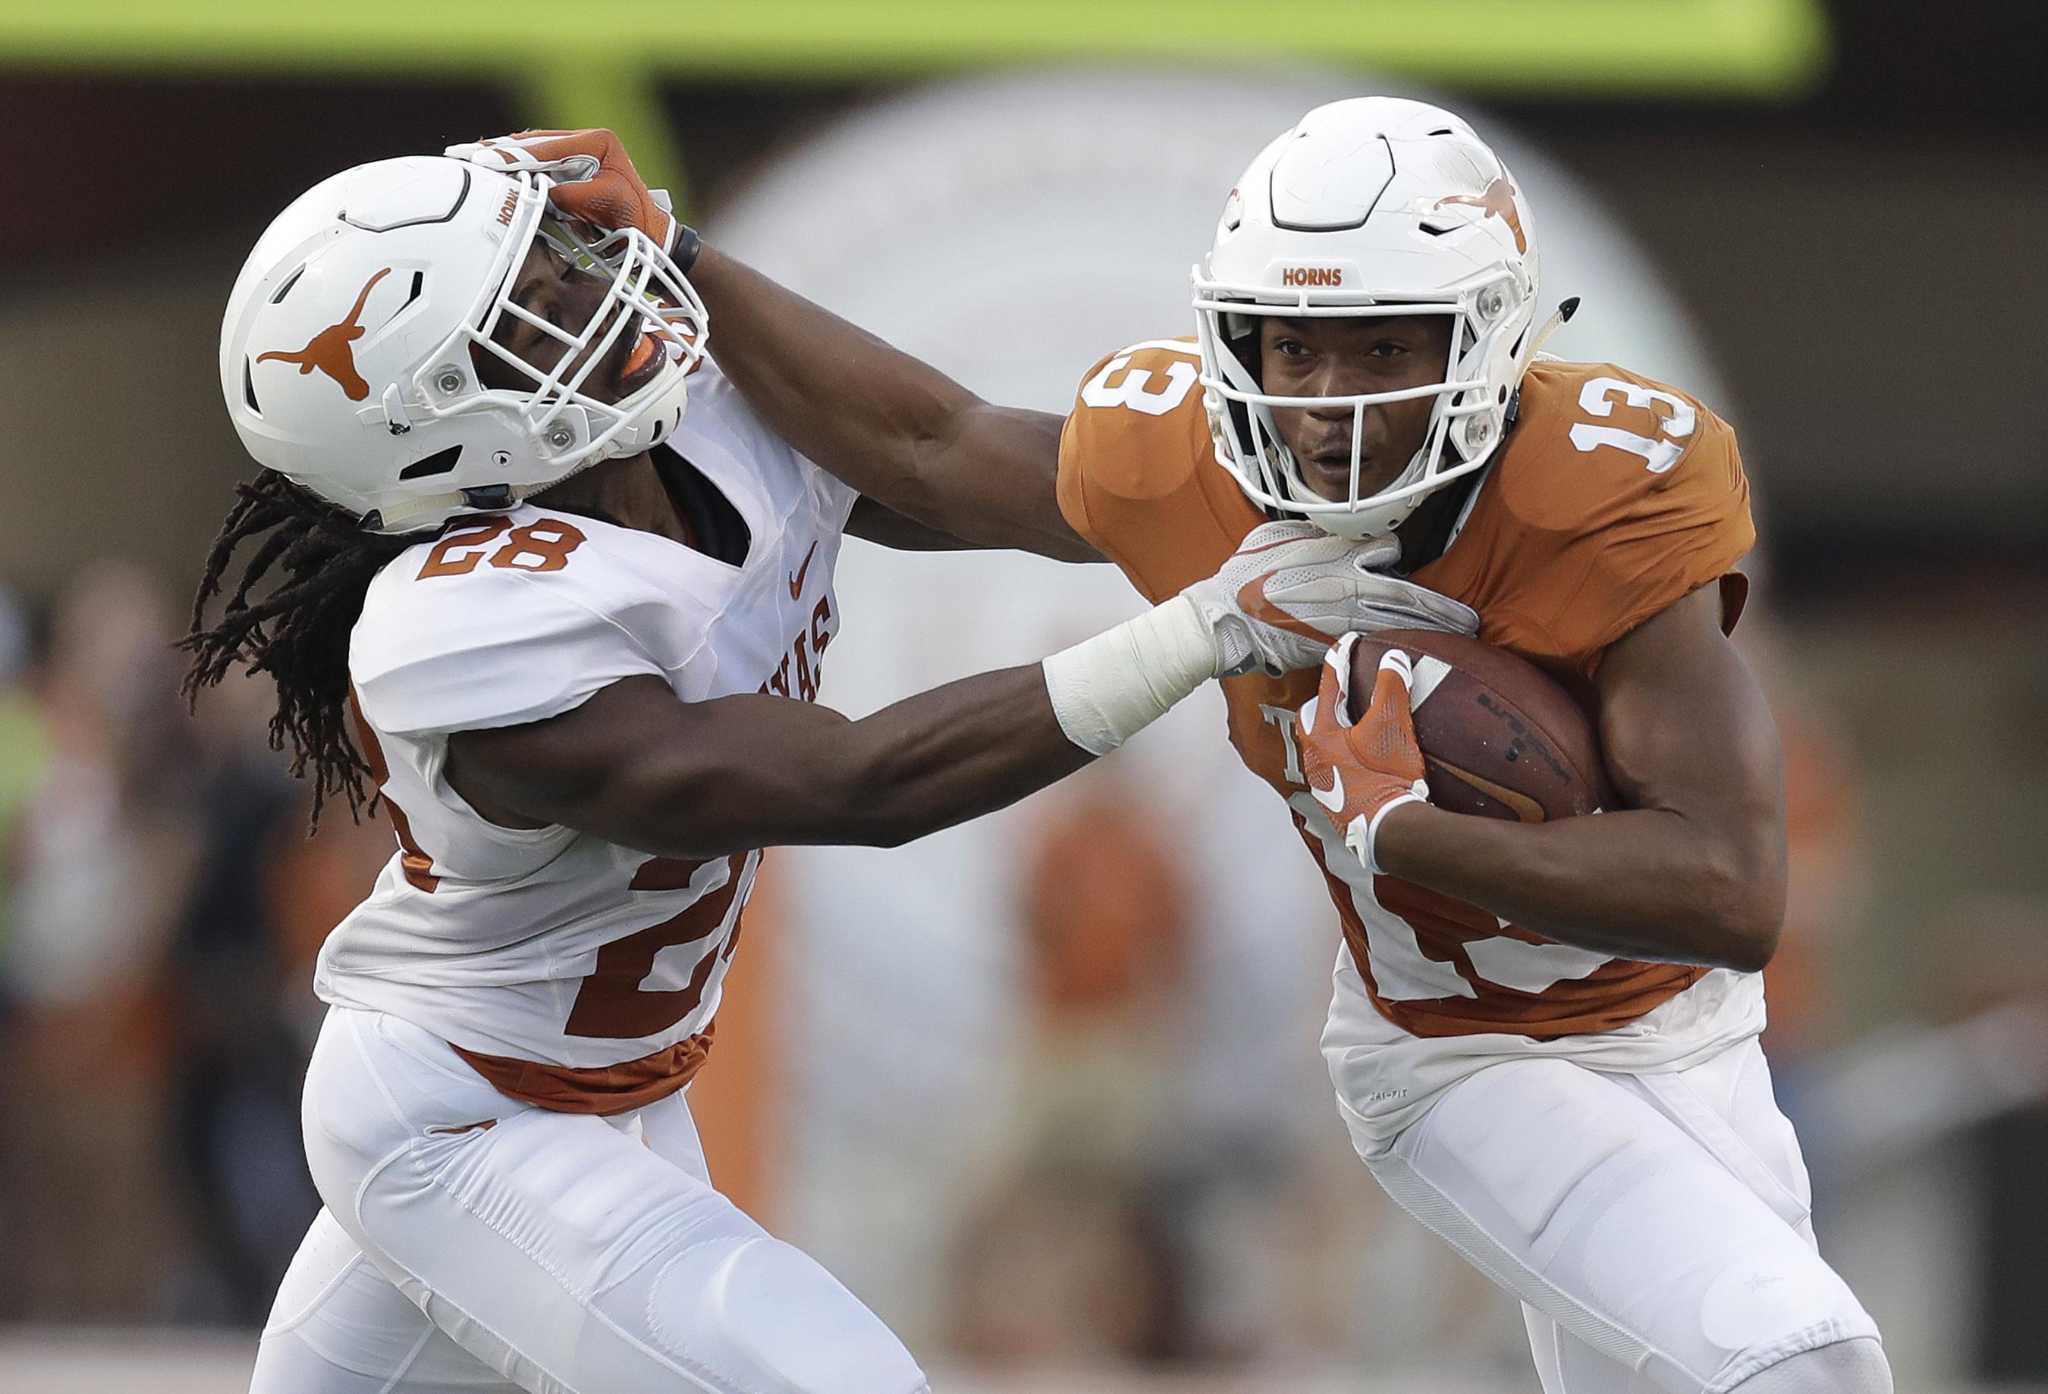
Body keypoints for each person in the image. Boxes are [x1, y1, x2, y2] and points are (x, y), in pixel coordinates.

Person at [595, 96, 1892, 1392]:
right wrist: (680, 256)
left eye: (1380, 344)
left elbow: (1730, 888)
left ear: (1487, 332)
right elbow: (931, 446)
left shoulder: (1605, 483)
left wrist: (1410, 829)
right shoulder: (1199, 464)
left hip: (1685, 1031)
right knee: (1792, 1354)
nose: (1324, 399)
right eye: (1293, 347)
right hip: (1458, 1049)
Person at [187, 140, 1452, 1394]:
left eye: (560, 260)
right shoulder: (474, 634)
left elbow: (956, 453)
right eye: (532, 302)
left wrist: (1276, 485)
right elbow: (857, 783)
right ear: (438, 432)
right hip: (464, 1118)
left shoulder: (700, 419)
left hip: (606, 1092)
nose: (588, 290)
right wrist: (1200, 629)